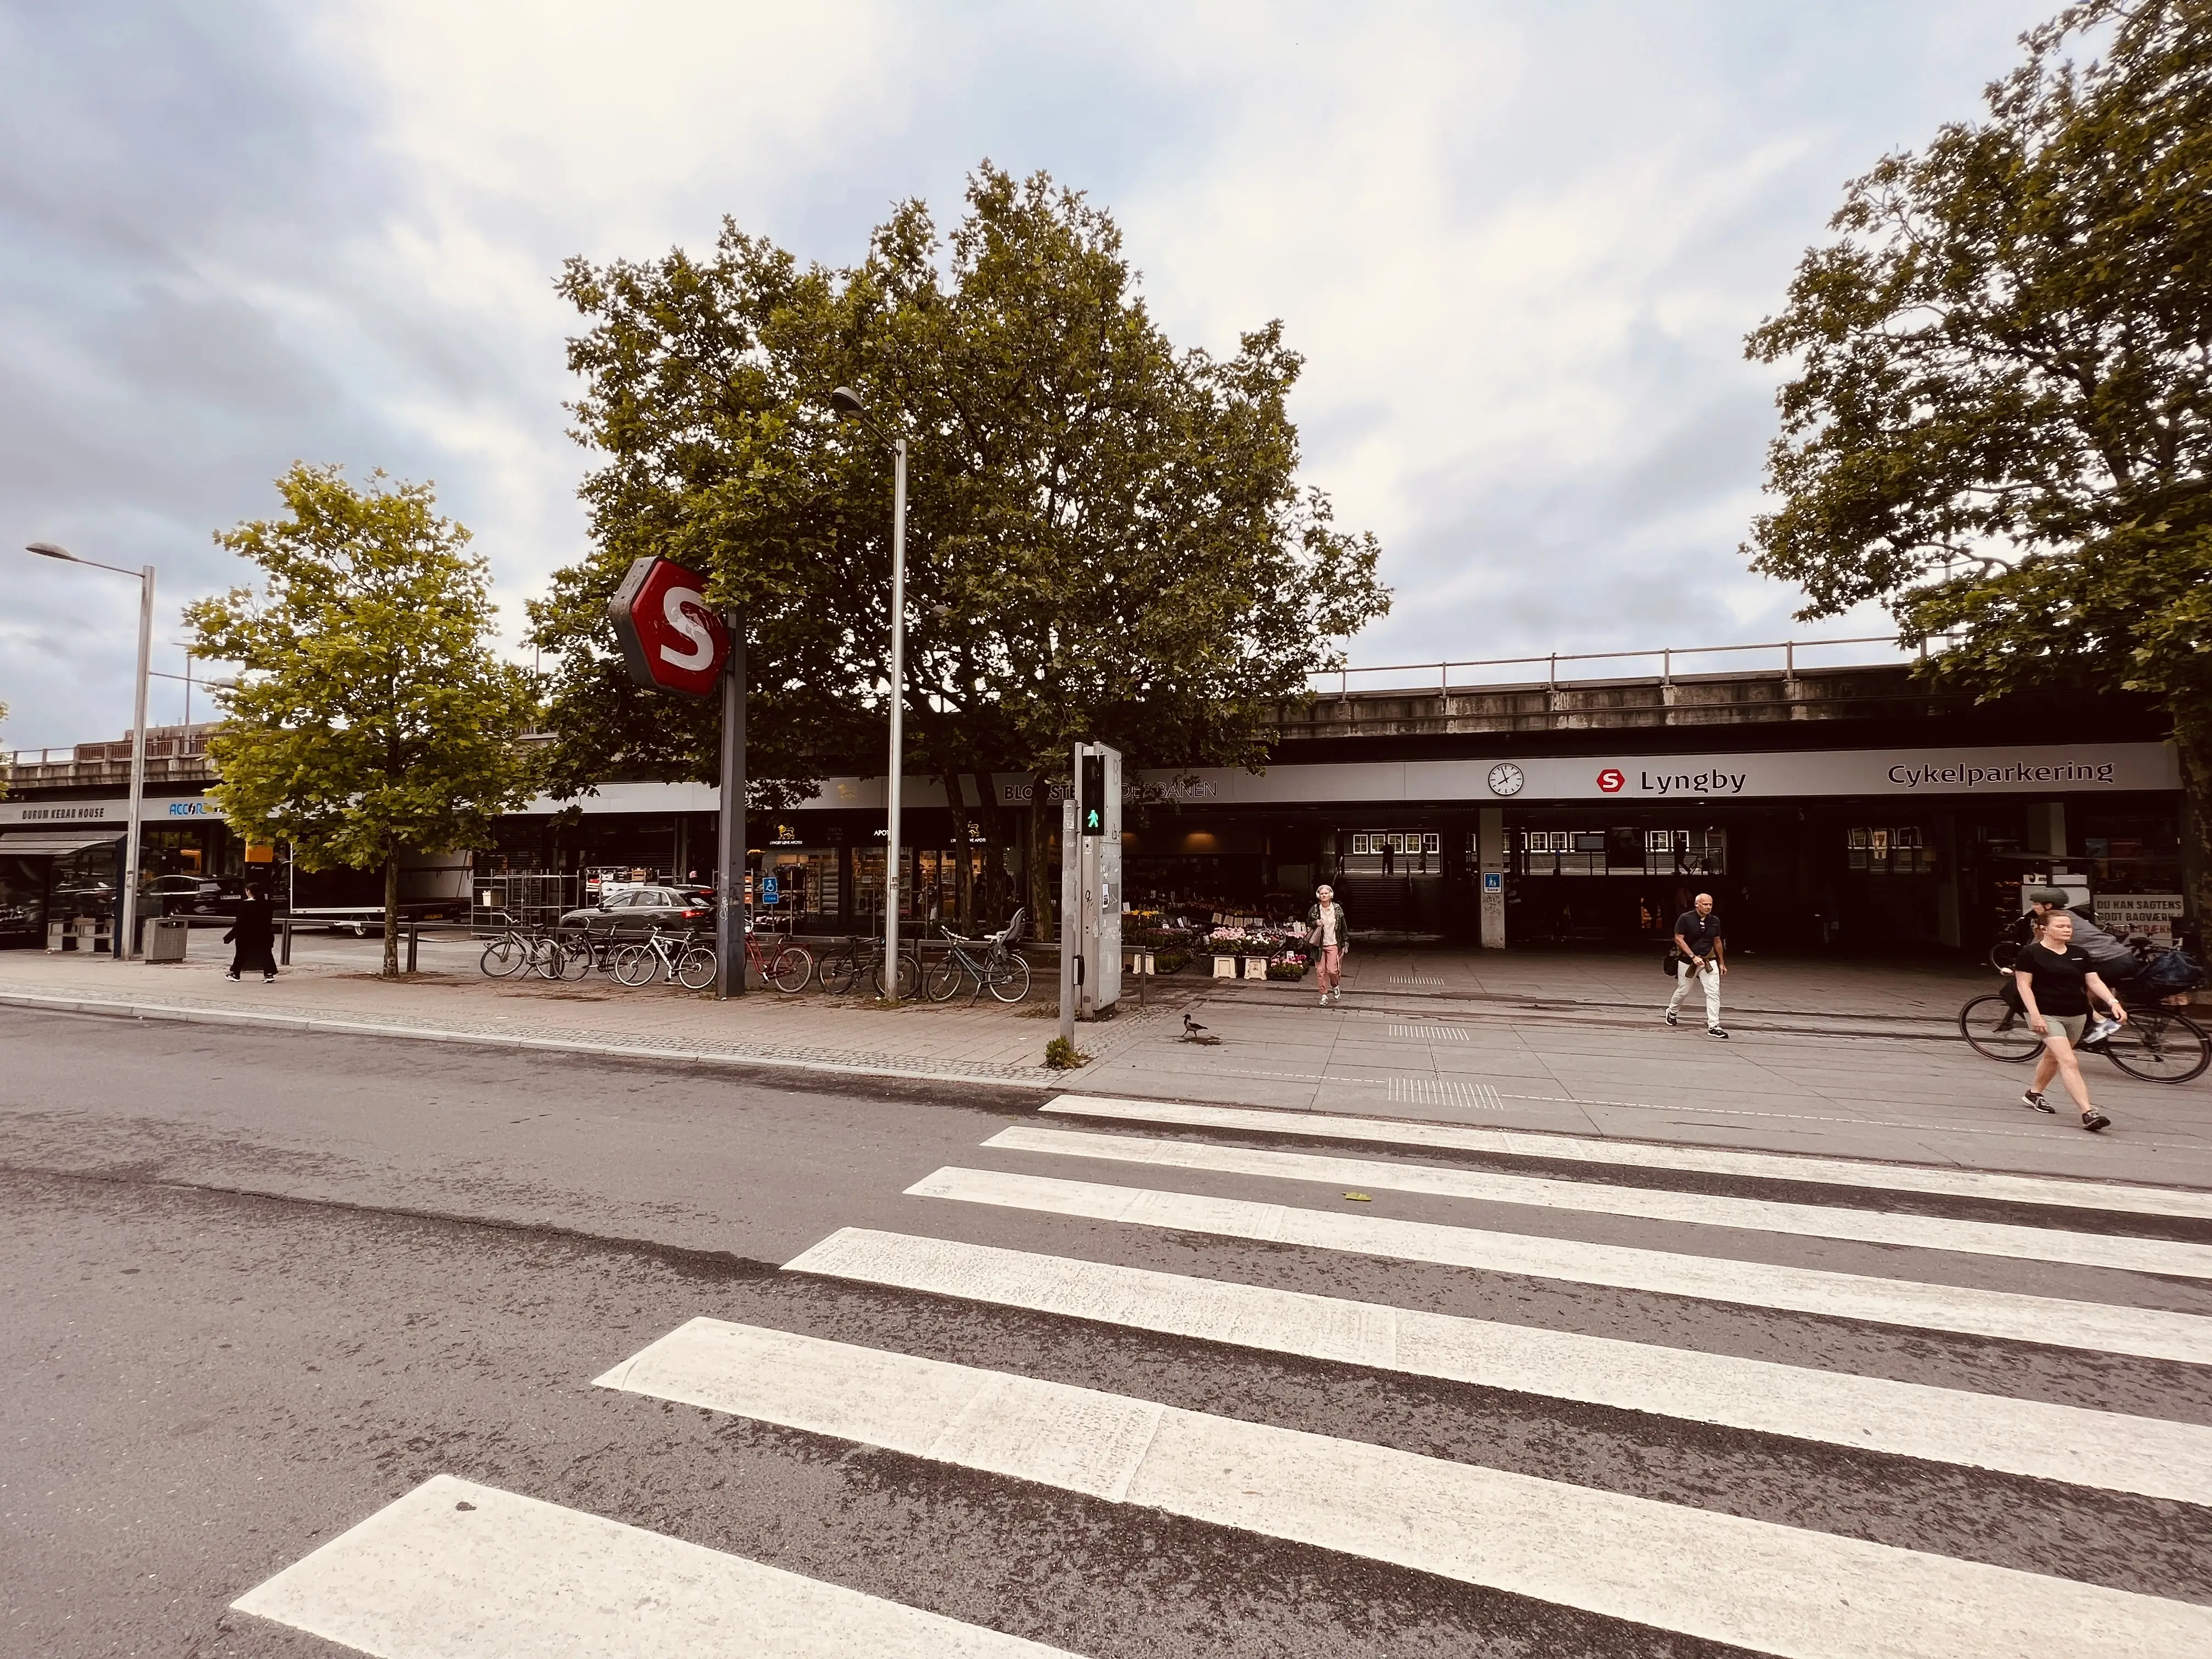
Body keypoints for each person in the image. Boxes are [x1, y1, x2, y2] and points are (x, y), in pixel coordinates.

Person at [2013, 908, 2124, 1132]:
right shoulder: (2030, 953)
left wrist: (2113, 1002)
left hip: (2076, 1014)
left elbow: (2093, 982)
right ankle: (2088, 1112)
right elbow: (2023, 985)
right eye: (2061, 926)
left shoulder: (2080, 953)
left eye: (2069, 926)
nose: (2067, 930)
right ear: (2044, 928)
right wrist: (2034, 1014)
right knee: (2069, 1060)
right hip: (2046, 1013)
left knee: (2053, 1057)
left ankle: (2034, 1093)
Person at [1666, 892, 1728, 1037]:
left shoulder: (1714, 921)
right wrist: (1693, 957)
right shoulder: (1685, 918)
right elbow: (1678, 939)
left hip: (1709, 960)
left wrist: (1722, 963)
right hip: (1688, 960)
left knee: (1713, 992)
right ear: (1697, 904)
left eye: (1710, 904)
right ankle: (1672, 1011)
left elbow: (1717, 941)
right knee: (1684, 990)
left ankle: (1714, 1025)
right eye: (1705, 904)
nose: (1708, 907)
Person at [223, 883, 279, 984]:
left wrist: (230, 936)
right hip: (264, 933)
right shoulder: (267, 904)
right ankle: (269, 974)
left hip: (246, 934)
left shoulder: (245, 905)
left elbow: (240, 923)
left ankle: (235, 974)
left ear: (249, 891)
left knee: (241, 954)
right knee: (266, 953)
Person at [1307, 883, 1349, 1007]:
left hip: (1333, 944)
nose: (1324, 896)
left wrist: (1346, 941)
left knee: (1332, 970)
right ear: (1318, 896)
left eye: (1326, 893)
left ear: (1331, 895)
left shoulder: (1337, 909)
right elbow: (1308, 922)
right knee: (1320, 971)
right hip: (1319, 945)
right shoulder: (1315, 909)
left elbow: (1343, 926)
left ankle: (1335, 986)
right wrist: (1316, 922)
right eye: (1322, 894)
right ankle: (1324, 995)